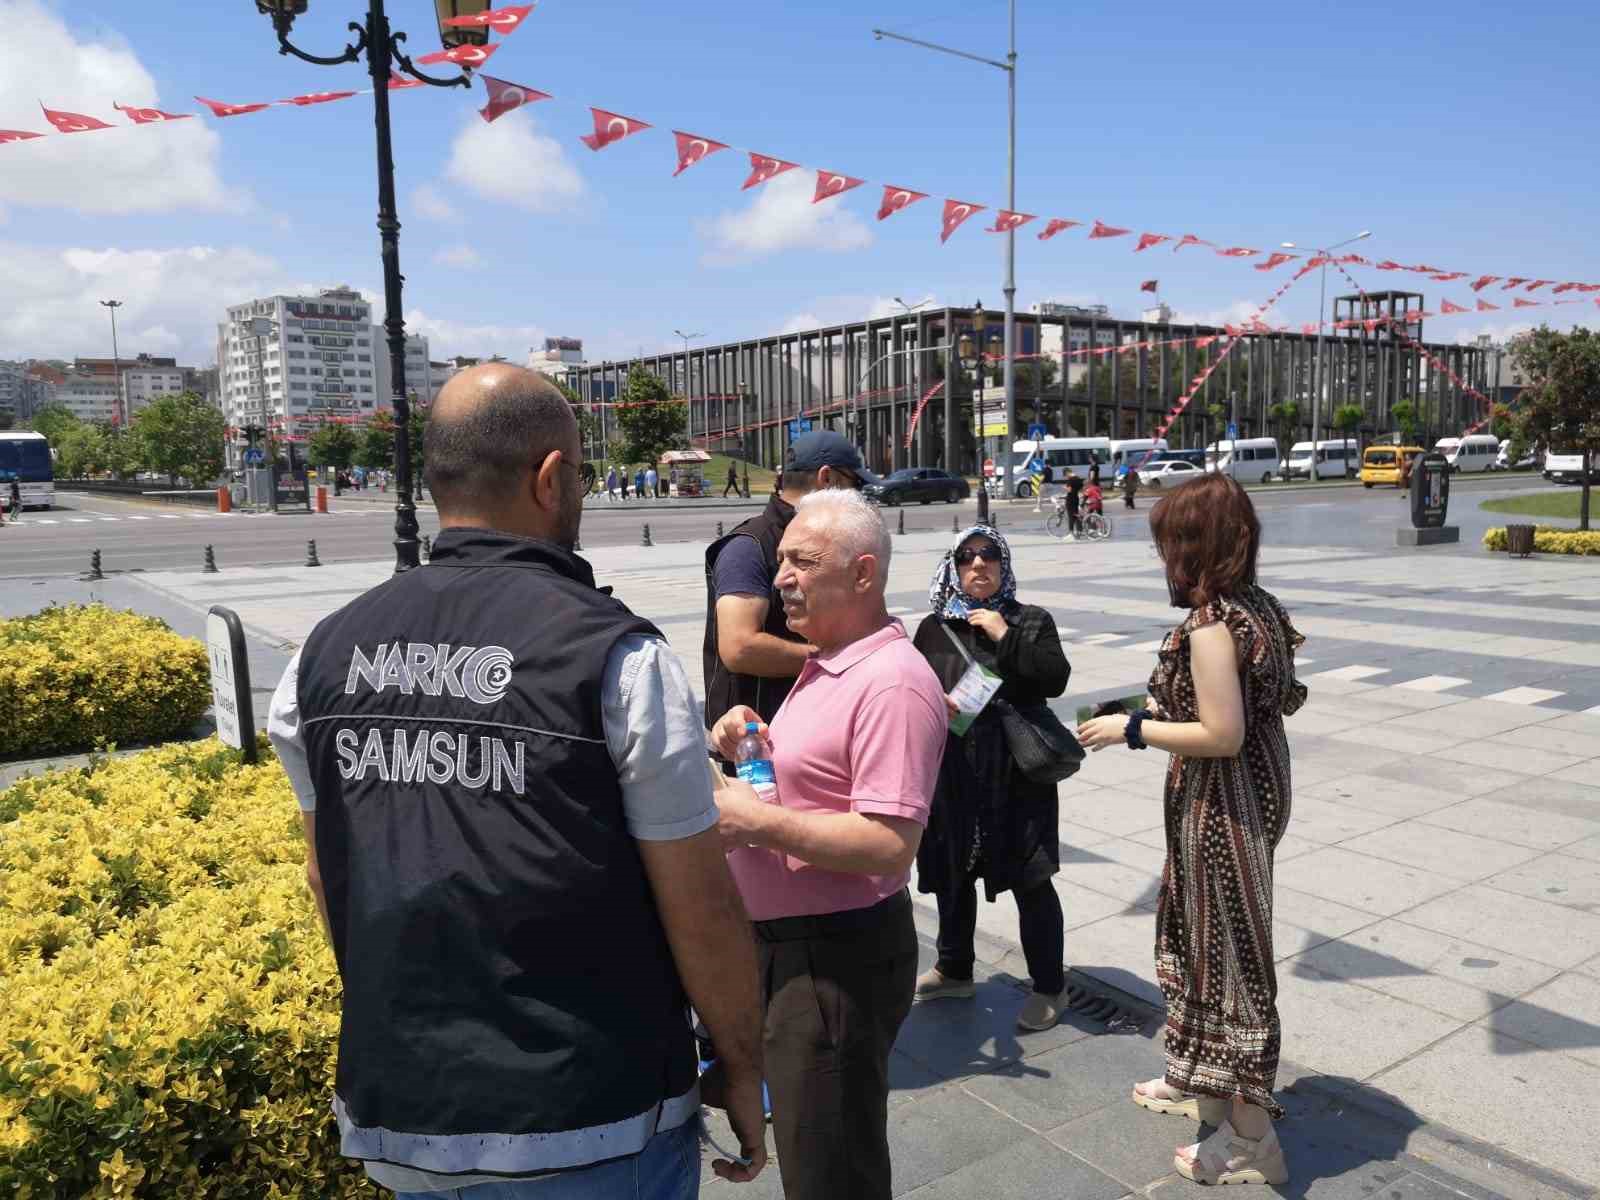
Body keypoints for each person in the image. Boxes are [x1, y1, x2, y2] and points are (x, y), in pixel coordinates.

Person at [267, 365, 768, 1197]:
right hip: (589, 1120)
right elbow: (701, 905)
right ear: (549, 478)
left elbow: (331, 873)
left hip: (404, 1115)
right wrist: (743, 1065)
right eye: (579, 474)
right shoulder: (616, 657)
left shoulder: (319, 657)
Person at [708, 489, 946, 1200]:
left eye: (803, 562)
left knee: (832, 1172)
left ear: (864, 574)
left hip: (833, 961)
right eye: (782, 560)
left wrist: (755, 822)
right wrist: (747, 747)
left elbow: (887, 842)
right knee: (815, 1154)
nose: (781, 577)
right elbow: (811, 788)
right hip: (791, 948)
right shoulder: (825, 660)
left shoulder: (893, 682)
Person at [1077, 473, 1305, 1188]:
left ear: (1195, 546)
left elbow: (1222, 732)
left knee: (1229, 957)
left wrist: (1132, 728)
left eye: (1170, 542)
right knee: (1201, 936)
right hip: (1249, 793)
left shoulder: (1213, 626)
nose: (1163, 558)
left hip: (1222, 804)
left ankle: (1251, 1137)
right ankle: (1203, 1081)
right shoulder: (1255, 608)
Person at [911, 526, 1072, 1030]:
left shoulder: (1032, 620)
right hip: (954, 772)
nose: (978, 565)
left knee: (1031, 877)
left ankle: (1050, 985)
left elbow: (1054, 677)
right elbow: (915, 691)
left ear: (1003, 565)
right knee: (952, 871)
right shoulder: (934, 629)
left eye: (989, 557)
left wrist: (1008, 636)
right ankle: (954, 967)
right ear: (954, 566)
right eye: (967, 557)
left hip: (1016, 773)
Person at [702, 430, 866, 732]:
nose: (860, 498)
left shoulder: (824, 541)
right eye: (855, 485)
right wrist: (833, 659)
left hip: (809, 731)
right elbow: (739, 646)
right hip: (755, 748)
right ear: (827, 478)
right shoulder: (749, 546)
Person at [1065, 470, 1084, 537]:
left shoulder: (1070, 479)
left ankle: (1071, 533)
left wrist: (1065, 488)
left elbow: (1069, 490)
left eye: (1065, 476)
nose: (1066, 477)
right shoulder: (1078, 479)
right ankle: (1080, 530)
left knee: (1071, 516)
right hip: (1076, 498)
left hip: (1070, 499)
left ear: (1067, 473)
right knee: (1076, 515)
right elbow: (1081, 488)